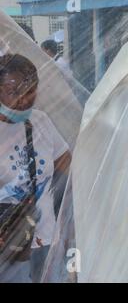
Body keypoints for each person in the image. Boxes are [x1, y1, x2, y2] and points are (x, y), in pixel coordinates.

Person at [0, 53, 71, 282]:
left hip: (46, 240)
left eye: (30, 91)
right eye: (14, 92)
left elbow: (67, 167)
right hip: (8, 250)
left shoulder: (40, 121)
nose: (23, 100)